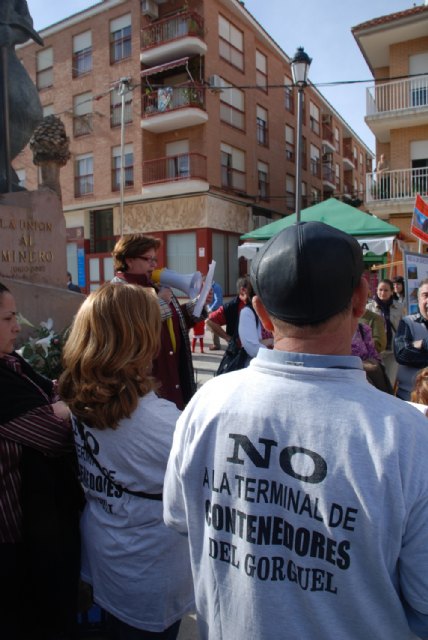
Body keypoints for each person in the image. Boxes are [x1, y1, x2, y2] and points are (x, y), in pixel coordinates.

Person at [163, 221, 428, 640]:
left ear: (263, 314)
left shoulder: (207, 406)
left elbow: (179, 518)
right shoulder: (410, 437)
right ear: (361, 298)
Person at [58, 283, 194, 640]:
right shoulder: (163, 422)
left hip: (104, 554)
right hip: (150, 574)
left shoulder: (76, 395)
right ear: (139, 337)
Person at [0, 282, 81, 640]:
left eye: (15, 315)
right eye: (7, 318)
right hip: (11, 537)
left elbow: (48, 389)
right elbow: (55, 436)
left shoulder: (11, 361)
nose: (17, 326)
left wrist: (58, 403)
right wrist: (63, 409)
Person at [111, 233, 207, 410]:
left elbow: (175, 324)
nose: (154, 265)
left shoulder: (155, 287)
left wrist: (196, 306)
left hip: (174, 381)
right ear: (129, 260)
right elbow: (133, 328)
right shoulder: (117, 291)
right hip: (147, 389)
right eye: (149, 259)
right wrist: (159, 302)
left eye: (155, 259)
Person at [366, 278, 404, 386]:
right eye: (380, 290)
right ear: (376, 291)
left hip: (392, 351)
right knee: (374, 383)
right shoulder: (369, 308)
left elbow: (402, 328)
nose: (383, 293)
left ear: (392, 291)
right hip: (375, 351)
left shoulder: (400, 307)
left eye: (386, 290)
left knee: (390, 383)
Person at [394, 278, 428, 400]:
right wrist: (425, 344)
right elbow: (402, 353)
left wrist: (420, 345)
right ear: (419, 300)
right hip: (410, 399)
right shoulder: (408, 322)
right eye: (425, 295)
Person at [206, 276, 251, 349]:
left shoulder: (259, 303)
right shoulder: (232, 306)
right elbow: (209, 321)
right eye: (253, 289)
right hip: (239, 352)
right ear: (243, 290)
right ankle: (216, 345)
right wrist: (228, 338)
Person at [207, 281, 223, 350]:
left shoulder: (216, 287)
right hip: (211, 309)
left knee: (213, 327)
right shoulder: (210, 286)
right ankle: (216, 344)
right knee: (212, 327)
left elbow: (218, 300)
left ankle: (216, 345)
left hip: (214, 310)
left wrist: (210, 309)